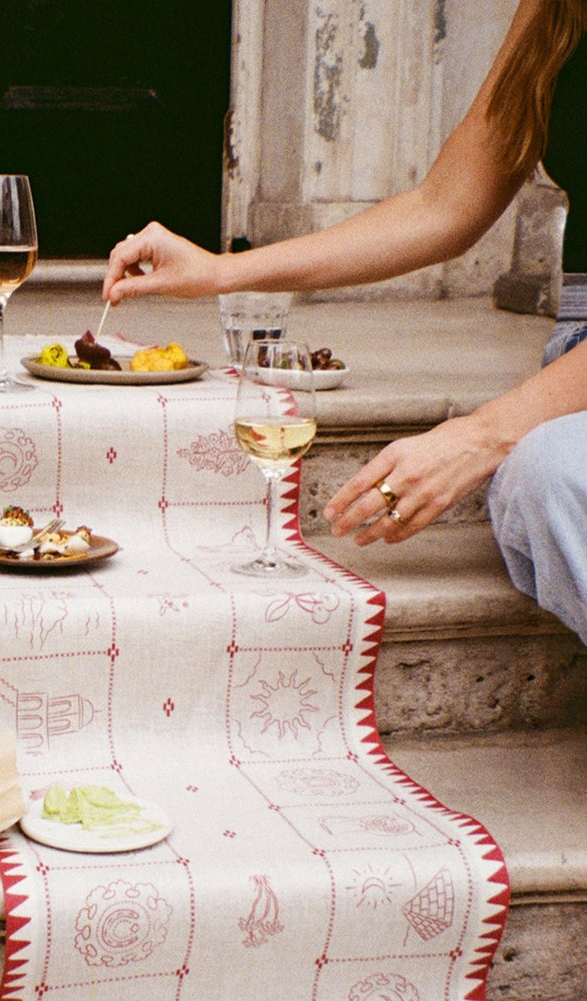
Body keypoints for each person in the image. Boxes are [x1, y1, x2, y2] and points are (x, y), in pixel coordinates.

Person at [101, 0, 587, 644]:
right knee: (542, 481)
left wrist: (482, 435)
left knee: (548, 469)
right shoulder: (555, 14)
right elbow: (444, 204)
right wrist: (221, 271)